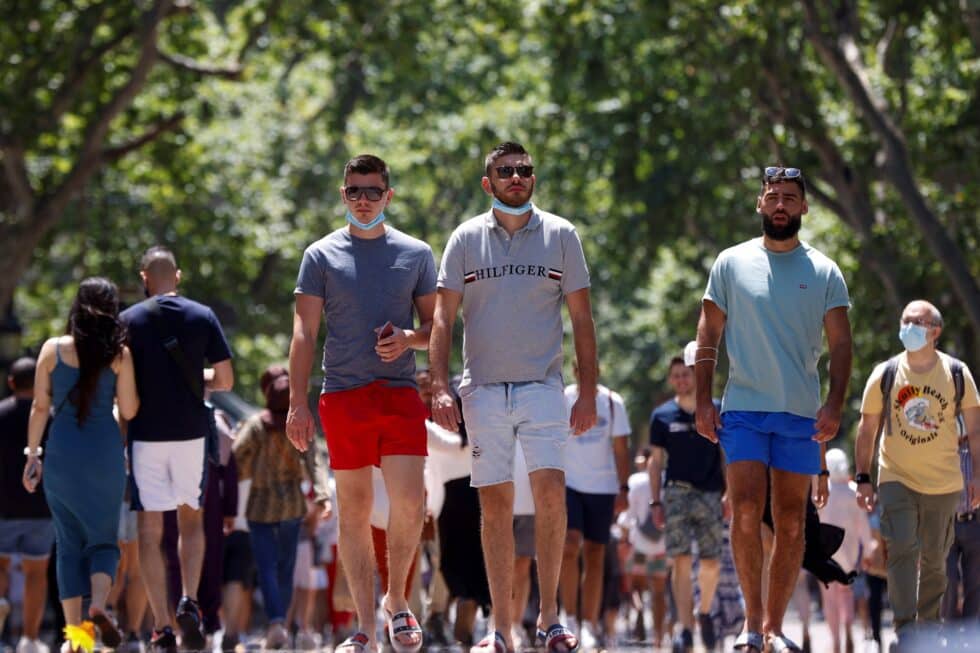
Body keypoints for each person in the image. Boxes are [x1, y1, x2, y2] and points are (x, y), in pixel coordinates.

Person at [429, 141, 598, 653]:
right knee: (495, 504)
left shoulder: (562, 235)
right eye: (506, 171)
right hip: (481, 390)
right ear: (489, 183)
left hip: (544, 388)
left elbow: (582, 321)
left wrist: (586, 391)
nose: (517, 177)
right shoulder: (463, 239)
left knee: (550, 496)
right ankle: (499, 627)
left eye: (524, 170)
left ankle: (548, 618)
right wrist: (438, 381)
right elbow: (442, 318)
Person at [695, 166, 852, 652]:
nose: (781, 204)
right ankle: (750, 621)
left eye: (790, 197)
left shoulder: (824, 270)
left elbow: (842, 344)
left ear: (804, 208)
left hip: (800, 414)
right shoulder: (730, 262)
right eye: (773, 197)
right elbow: (708, 335)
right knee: (744, 509)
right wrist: (703, 399)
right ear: (761, 205)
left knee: (789, 520)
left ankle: (775, 629)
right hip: (742, 409)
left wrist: (835, 402)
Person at [286, 154, 436, 653]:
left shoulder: (415, 253)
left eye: (374, 191)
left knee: (411, 504)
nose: (365, 200)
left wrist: (409, 341)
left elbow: (437, 329)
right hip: (342, 394)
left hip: (398, 393)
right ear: (343, 194)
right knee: (353, 510)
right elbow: (305, 331)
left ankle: (397, 601)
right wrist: (297, 403)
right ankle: (366, 629)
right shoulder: (320, 255)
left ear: (389, 195)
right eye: (355, 191)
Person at [120, 246, 234, 653]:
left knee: (151, 534)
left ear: (144, 276)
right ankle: (190, 597)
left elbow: (122, 380)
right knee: (191, 521)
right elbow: (225, 380)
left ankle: (162, 625)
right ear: (179, 276)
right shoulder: (202, 316)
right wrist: (196, 376)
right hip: (190, 435)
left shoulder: (128, 321)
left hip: (147, 434)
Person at [853, 300, 980, 648]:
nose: (908, 326)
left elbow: (975, 428)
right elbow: (866, 429)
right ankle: (907, 628)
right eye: (905, 320)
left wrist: (977, 475)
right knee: (903, 548)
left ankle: (928, 626)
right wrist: (862, 477)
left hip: (944, 481)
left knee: (936, 559)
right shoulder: (885, 373)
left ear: (935, 331)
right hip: (896, 476)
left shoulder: (957, 372)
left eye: (917, 321)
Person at [23, 277, 139, 653]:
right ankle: (100, 605)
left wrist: (32, 456)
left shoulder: (52, 350)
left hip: (62, 454)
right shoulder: (119, 354)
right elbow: (132, 409)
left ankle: (77, 638)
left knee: (69, 543)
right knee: (104, 541)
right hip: (104, 454)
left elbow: (40, 407)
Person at [233, 370, 329, 650]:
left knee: (266, 568)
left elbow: (237, 460)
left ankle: (276, 622)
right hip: (291, 507)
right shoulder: (299, 424)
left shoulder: (254, 426)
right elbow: (315, 462)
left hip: (260, 507)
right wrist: (322, 495)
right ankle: (280, 625)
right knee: (285, 570)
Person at [648, 345, 726, 652]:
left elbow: (726, 455)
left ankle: (703, 611)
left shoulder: (716, 408)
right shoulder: (662, 416)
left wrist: (729, 493)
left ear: (696, 375)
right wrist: (655, 502)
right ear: (671, 380)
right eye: (676, 376)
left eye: (686, 374)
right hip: (676, 494)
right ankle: (684, 628)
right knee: (679, 561)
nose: (681, 380)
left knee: (711, 563)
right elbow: (655, 462)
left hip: (710, 494)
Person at [558, 362, 631, 651]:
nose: (583, 371)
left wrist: (623, 488)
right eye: (579, 366)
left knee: (596, 554)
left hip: (603, 487)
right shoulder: (562, 398)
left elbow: (621, 449)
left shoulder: (613, 403)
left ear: (597, 369)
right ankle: (569, 618)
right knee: (569, 545)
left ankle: (589, 623)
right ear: (575, 370)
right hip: (569, 483)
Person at [0, 358, 54, 653]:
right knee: (36, 573)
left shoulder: (1, 414)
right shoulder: (51, 417)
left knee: (0, 567)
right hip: (41, 508)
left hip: (3, 507)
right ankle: (30, 640)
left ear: (10, 382)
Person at [818, 448, 872, 653]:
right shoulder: (853, 491)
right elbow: (864, 527)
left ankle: (836, 642)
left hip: (825, 556)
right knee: (846, 593)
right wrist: (867, 552)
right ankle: (848, 626)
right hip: (849, 557)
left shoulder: (823, 493)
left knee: (829, 600)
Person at [942, 412, 980, 624]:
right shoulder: (941, 455)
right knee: (948, 579)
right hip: (947, 523)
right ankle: (947, 630)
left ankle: (971, 632)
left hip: (973, 521)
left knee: (974, 583)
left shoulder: (976, 454)